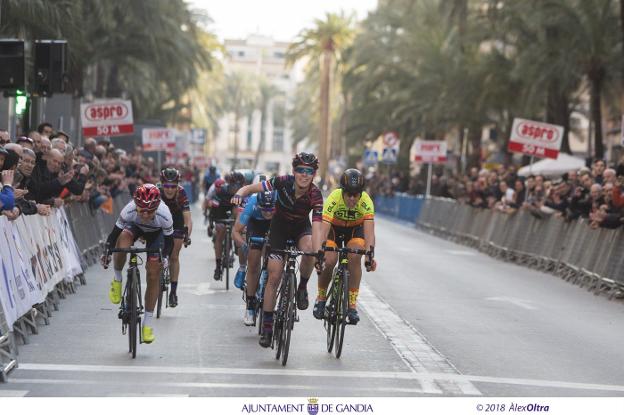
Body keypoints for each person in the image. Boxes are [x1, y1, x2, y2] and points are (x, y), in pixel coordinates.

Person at [231, 152, 324, 348]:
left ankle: (302, 288)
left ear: (314, 174)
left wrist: (318, 254)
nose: (304, 175)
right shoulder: (282, 182)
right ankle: (266, 327)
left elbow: (316, 227)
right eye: (300, 170)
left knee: (309, 250)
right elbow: (251, 188)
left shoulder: (315, 195)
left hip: (301, 228)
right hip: (279, 229)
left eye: (309, 171)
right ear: (294, 171)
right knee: (274, 275)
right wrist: (240, 193)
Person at [100, 184, 173, 344]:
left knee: (153, 273)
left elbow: (169, 243)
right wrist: (107, 251)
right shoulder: (129, 210)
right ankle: (118, 279)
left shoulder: (165, 214)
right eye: (142, 210)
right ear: (136, 206)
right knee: (122, 243)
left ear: (157, 207)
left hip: (157, 234)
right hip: (135, 228)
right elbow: (113, 235)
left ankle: (147, 324)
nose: (146, 214)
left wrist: (165, 257)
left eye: (150, 211)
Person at [314, 168, 376, 325]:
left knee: (355, 257)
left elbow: (369, 233)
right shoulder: (334, 198)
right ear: (342, 191)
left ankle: (352, 305)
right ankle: (321, 298)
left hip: (355, 230)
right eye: (349, 194)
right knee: (329, 259)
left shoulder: (366, 201)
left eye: (357, 194)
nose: (353, 198)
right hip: (334, 229)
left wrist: (369, 256)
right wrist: (320, 252)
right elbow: (324, 228)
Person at [231, 189, 276, 325]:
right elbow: (236, 231)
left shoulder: (281, 203)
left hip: (276, 225)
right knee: (254, 262)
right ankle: (250, 305)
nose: (268, 213)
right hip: (256, 225)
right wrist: (244, 245)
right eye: (265, 209)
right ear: (259, 205)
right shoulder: (252, 203)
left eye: (271, 209)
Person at [157, 168, 192, 308]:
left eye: (173, 186)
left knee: (174, 256)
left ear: (177, 185)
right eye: (166, 186)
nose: (170, 190)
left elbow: (188, 219)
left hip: (176, 219)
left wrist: (187, 235)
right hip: (159, 219)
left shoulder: (182, 193)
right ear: (162, 184)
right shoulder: (156, 192)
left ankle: (173, 292)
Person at [206, 172, 244, 280]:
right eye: (234, 186)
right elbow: (212, 207)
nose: (236, 189)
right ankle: (218, 266)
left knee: (238, 213)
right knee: (220, 232)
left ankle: (236, 244)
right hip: (220, 211)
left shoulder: (243, 193)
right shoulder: (221, 191)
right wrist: (212, 223)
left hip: (234, 211)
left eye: (239, 186)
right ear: (229, 184)